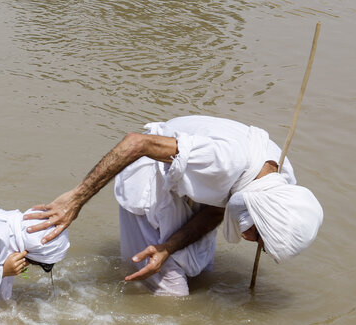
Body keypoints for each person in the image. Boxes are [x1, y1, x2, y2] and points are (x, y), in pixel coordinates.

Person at [25, 115, 323, 296]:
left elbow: (220, 207)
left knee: (198, 269)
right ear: (261, 211)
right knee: (170, 291)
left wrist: (170, 246)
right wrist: (76, 200)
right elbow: (136, 143)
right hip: (153, 172)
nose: (249, 239)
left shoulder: (277, 183)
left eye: (258, 242)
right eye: (257, 235)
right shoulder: (224, 161)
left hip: (195, 186)